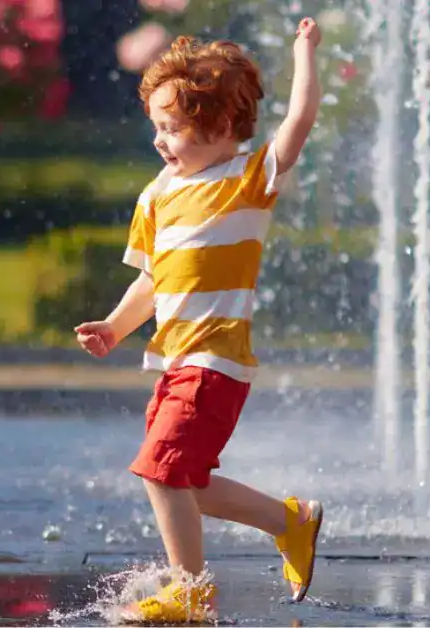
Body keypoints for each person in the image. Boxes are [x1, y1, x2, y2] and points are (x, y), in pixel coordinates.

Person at [73, 18, 325, 624]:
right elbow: (153, 280)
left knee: (161, 470)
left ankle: (190, 590)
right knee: (184, 481)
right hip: (173, 358)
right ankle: (291, 522)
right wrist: (114, 326)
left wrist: (303, 52)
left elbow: (299, 123)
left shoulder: (247, 180)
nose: (159, 139)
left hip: (216, 362)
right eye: (156, 126)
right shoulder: (158, 193)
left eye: (173, 128)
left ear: (218, 125)